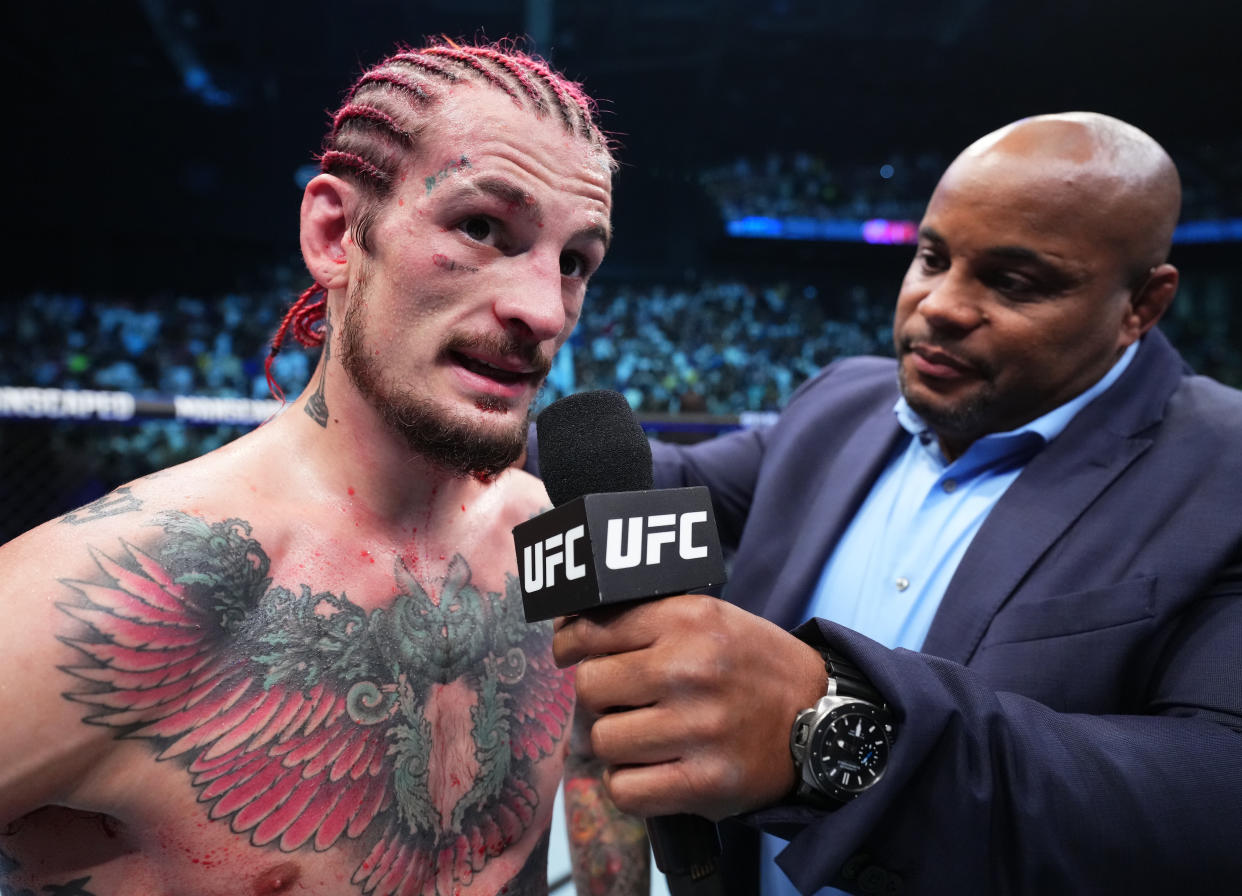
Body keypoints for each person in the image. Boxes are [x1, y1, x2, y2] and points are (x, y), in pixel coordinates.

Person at [553, 112, 1242, 895]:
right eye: (931, 257)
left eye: (1014, 281)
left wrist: (828, 728)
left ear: (1141, 306)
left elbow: (1216, 806)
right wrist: (463, 394)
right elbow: (661, 488)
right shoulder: (843, 401)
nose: (940, 305)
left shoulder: (1224, 469)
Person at [0, 39, 619, 896]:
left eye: (575, 262)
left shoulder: (555, 542)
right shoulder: (108, 591)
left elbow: (597, 790)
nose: (545, 310)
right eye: (481, 227)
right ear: (335, 233)